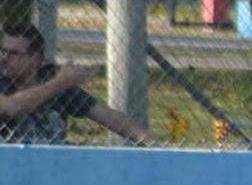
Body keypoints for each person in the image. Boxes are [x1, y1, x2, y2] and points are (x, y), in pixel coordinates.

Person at [0, 23, 151, 146]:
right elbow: (10, 108)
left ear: (35, 59)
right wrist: (60, 83)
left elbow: (109, 117)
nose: (4, 59)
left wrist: (152, 143)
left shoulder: (55, 84)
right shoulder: (55, 84)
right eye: (3, 51)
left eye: (13, 53)